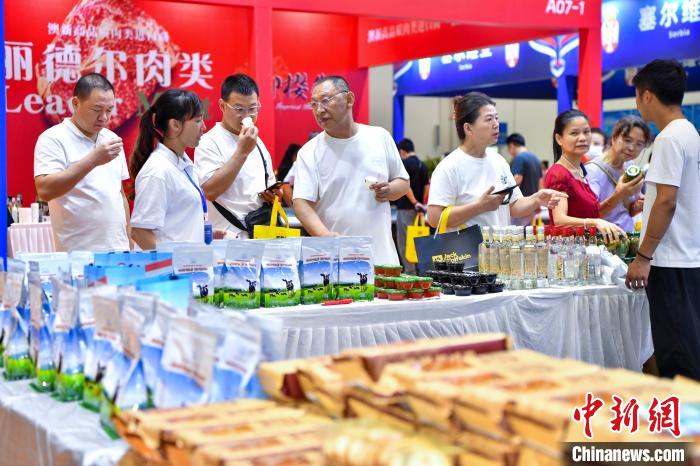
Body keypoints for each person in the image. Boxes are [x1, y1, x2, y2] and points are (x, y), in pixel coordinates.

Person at [625, 59, 700, 381]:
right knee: (687, 349)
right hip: (688, 257)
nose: (637, 103)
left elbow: (666, 201)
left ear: (647, 96)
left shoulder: (669, 138)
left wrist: (643, 257)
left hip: (670, 261)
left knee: (677, 356)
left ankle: (686, 414)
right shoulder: (689, 132)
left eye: (637, 96)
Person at [293, 76, 410, 265]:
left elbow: (403, 182)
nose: (319, 110)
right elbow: (301, 204)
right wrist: (325, 236)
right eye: (314, 104)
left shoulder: (379, 137)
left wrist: (390, 189)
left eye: (325, 100)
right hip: (336, 260)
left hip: (382, 257)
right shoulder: (309, 152)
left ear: (349, 99)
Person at [427, 92, 565, 232]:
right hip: (467, 246)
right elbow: (434, 218)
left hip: (500, 245)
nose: (496, 124)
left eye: (496, 118)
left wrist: (536, 199)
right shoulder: (449, 167)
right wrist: (479, 206)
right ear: (468, 128)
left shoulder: (499, 161)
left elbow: (513, 206)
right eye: (489, 119)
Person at [34, 73, 130, 252]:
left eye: (109, 110)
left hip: (118, 250)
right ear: (76, 103)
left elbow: (120, 195)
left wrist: (129, 242)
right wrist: (93, 160)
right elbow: (45, 191)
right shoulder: (53, 138)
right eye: (97, 109)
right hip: (78, 254)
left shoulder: (112, 139)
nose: (104, 117)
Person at [194, 74, 289, 238]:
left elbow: (268, 186)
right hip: (227, 237)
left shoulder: (257, 142)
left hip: (261, 234)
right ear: (222, 106)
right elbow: (209, 191)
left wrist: (272, 194)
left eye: (252, 109)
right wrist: (242, 152)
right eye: (239, 109)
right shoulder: (209, 142)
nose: (247, 116)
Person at [130, 89, 207, 249]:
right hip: (172, 265)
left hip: (188, 262)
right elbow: (140, 232)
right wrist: (173, 261)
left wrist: (199, 234)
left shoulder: (184, 163)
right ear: (175, 125)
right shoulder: (157, 171)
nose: (204, 127)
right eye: (198, 120)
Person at [543, 109, 624, 242]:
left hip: (586, 246)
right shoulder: (559, 174)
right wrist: (594, 222)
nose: (582, 138)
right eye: (574, 133)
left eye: (586, 132)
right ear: (559, 138)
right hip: (568, 249)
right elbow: (559, 220)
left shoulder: (581, 170)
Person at [585, 116, 650, 232]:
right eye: (627, 140)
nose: (632, 148)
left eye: (639, 144)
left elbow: (627, 211)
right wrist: (619, 195)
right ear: (614, 138)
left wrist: (637, 206)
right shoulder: (592, 170)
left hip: (626, 235)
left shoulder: (630, 166)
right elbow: (590, 217)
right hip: (603, 238)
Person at [394, 138, 430, 274]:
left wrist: (415, 203)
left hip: (406, 209)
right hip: (419, 212)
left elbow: (405, 186)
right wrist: (422, 204)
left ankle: (410, 273)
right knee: (418, 242)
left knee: (405, 242)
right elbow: (427, 187)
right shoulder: (422, 165)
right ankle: (421, 273)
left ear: (402, 151)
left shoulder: (404, 164)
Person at [506, 133, 543, 226]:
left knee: (516, 233)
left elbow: (517, 180)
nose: (509, 152)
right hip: (532, 206)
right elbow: (540, 183)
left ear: (512, 146)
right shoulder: (536, 158)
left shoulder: (519, 158)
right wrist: (538, 203)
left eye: (508, 149)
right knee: (528, 232)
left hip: (521, 206)